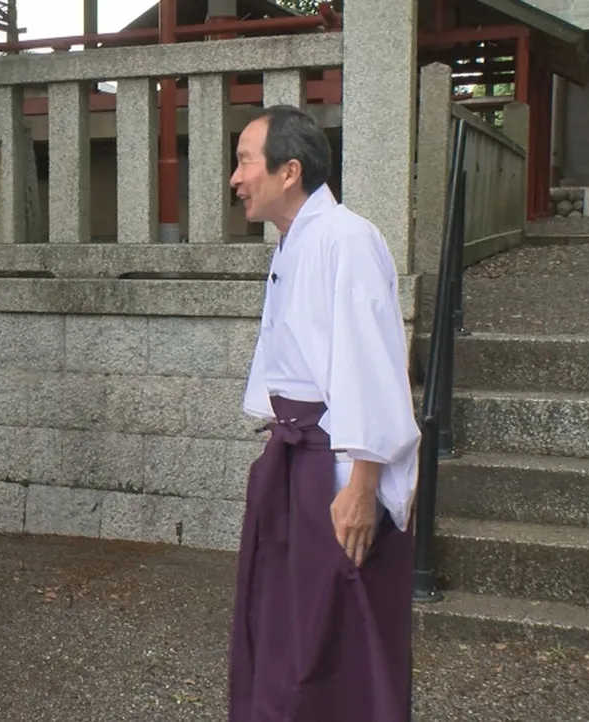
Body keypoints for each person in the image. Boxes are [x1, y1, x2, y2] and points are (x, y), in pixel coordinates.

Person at [225, 105, 420, 721]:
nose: (235, 178)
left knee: (335, 635)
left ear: (289, 171)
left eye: (243, 161)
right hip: (294, 455)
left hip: (334, 468)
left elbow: (371, 364)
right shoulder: (295, 242)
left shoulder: (346, 237)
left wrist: (364, 485)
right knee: (282, 626)